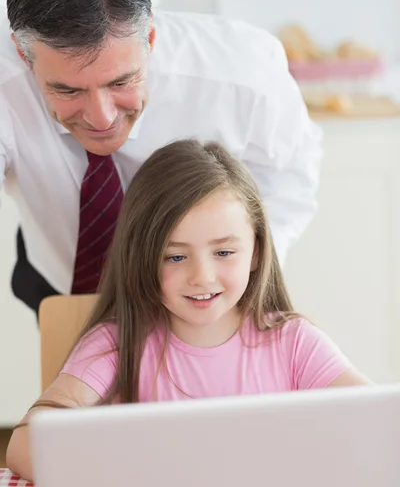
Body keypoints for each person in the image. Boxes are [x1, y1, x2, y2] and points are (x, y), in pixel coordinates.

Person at [7, 139, 370, 481]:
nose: (202, 277)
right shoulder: (116, 344)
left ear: (256, 251)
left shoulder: (295, 343)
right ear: (142, 259)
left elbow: (377, 423)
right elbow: (23, 447)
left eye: (224, 253)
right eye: (175, 256)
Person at [0, 0, 322, 315]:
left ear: (150, 38)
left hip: (211, 294)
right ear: (23, 55)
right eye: (67, 90)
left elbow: (289, 177)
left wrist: (236, 271)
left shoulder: (244, 73)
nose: (101, 117)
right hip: (63, 272)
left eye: (121, 82)